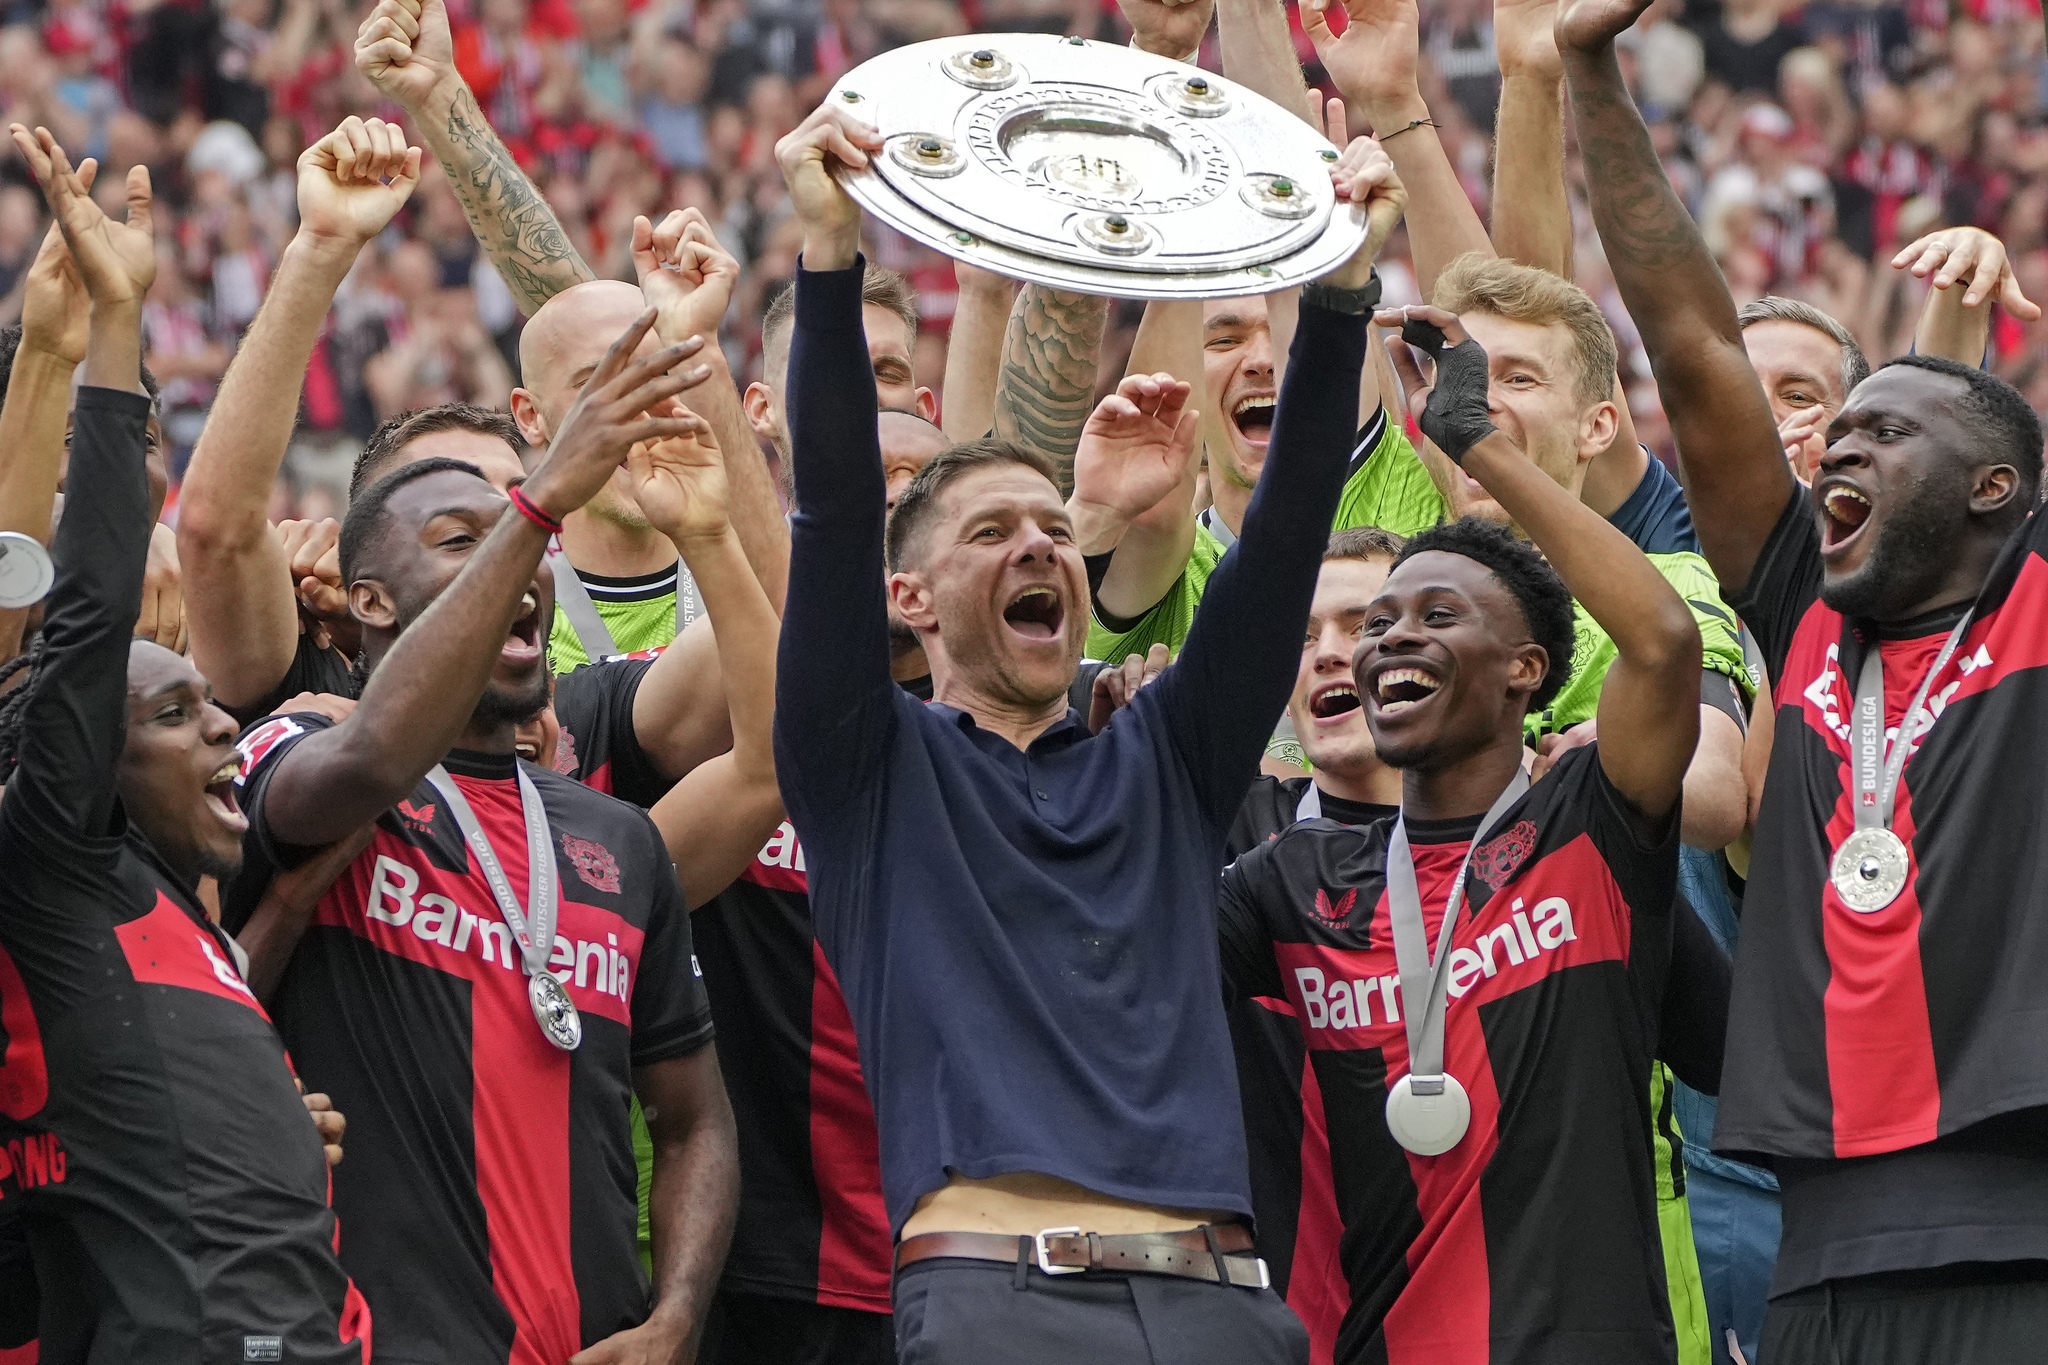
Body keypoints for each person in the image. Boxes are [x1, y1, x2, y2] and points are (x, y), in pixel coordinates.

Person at [772, 88, 1405, 1358]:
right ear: (906, 599)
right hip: (1000, 1299)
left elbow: (1278, 551)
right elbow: (835, 511)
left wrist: (1342, 291)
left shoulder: (1162, 757)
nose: (1040, 550)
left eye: (1054, 529)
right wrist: (830, 260)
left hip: (1222, 1305)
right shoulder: (862, 768)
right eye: (993, 533)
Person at [1561, 0, 2048, 1358]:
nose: (1835, 449)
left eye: (1883, 431)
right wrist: (1591, 74)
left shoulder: (2039, 597)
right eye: (1834, 433)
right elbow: (1686, 334)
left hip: (2023, 1227)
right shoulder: (1800, 613)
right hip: (1820, 1245)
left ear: (1999, 489)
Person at [219, 311, 743, 1363]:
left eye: (520, 544)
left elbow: (692, 1120)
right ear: (366, 600)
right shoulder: (298, 749)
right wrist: (539, 498)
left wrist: (676, 1316)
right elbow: (370, 758)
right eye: (464, 541)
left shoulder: (617, 841)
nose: (521, 563)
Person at [1216, 300, 1701, 1362]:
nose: (1385, 638)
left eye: (1435, 615)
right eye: (1379, 621)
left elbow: (1662, 644)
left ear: (1526, 669)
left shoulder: (1587, 824)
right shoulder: (1281, 888)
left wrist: (1475, 441)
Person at [0, 123, 369, 1364]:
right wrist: (96, 338)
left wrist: (254, 1113)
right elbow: (80, 611)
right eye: (172, 710)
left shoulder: (166, 896)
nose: (224, 721)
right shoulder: (51, 844)